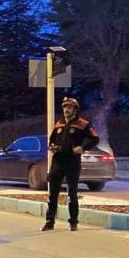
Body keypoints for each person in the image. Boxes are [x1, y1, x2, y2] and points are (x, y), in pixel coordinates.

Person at [41, 96, 99, 232]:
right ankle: (49, 222)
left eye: (69, 107)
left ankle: (73, 222)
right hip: (57, 160)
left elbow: (95, 139)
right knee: (53, 193)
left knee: (72, 193)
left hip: (72, 161)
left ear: (75, 109)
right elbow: (51, 140)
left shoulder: (83, 124)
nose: (66, 109)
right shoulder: (59, 124)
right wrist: (52, 147)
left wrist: (83, 148)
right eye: (65, 107)